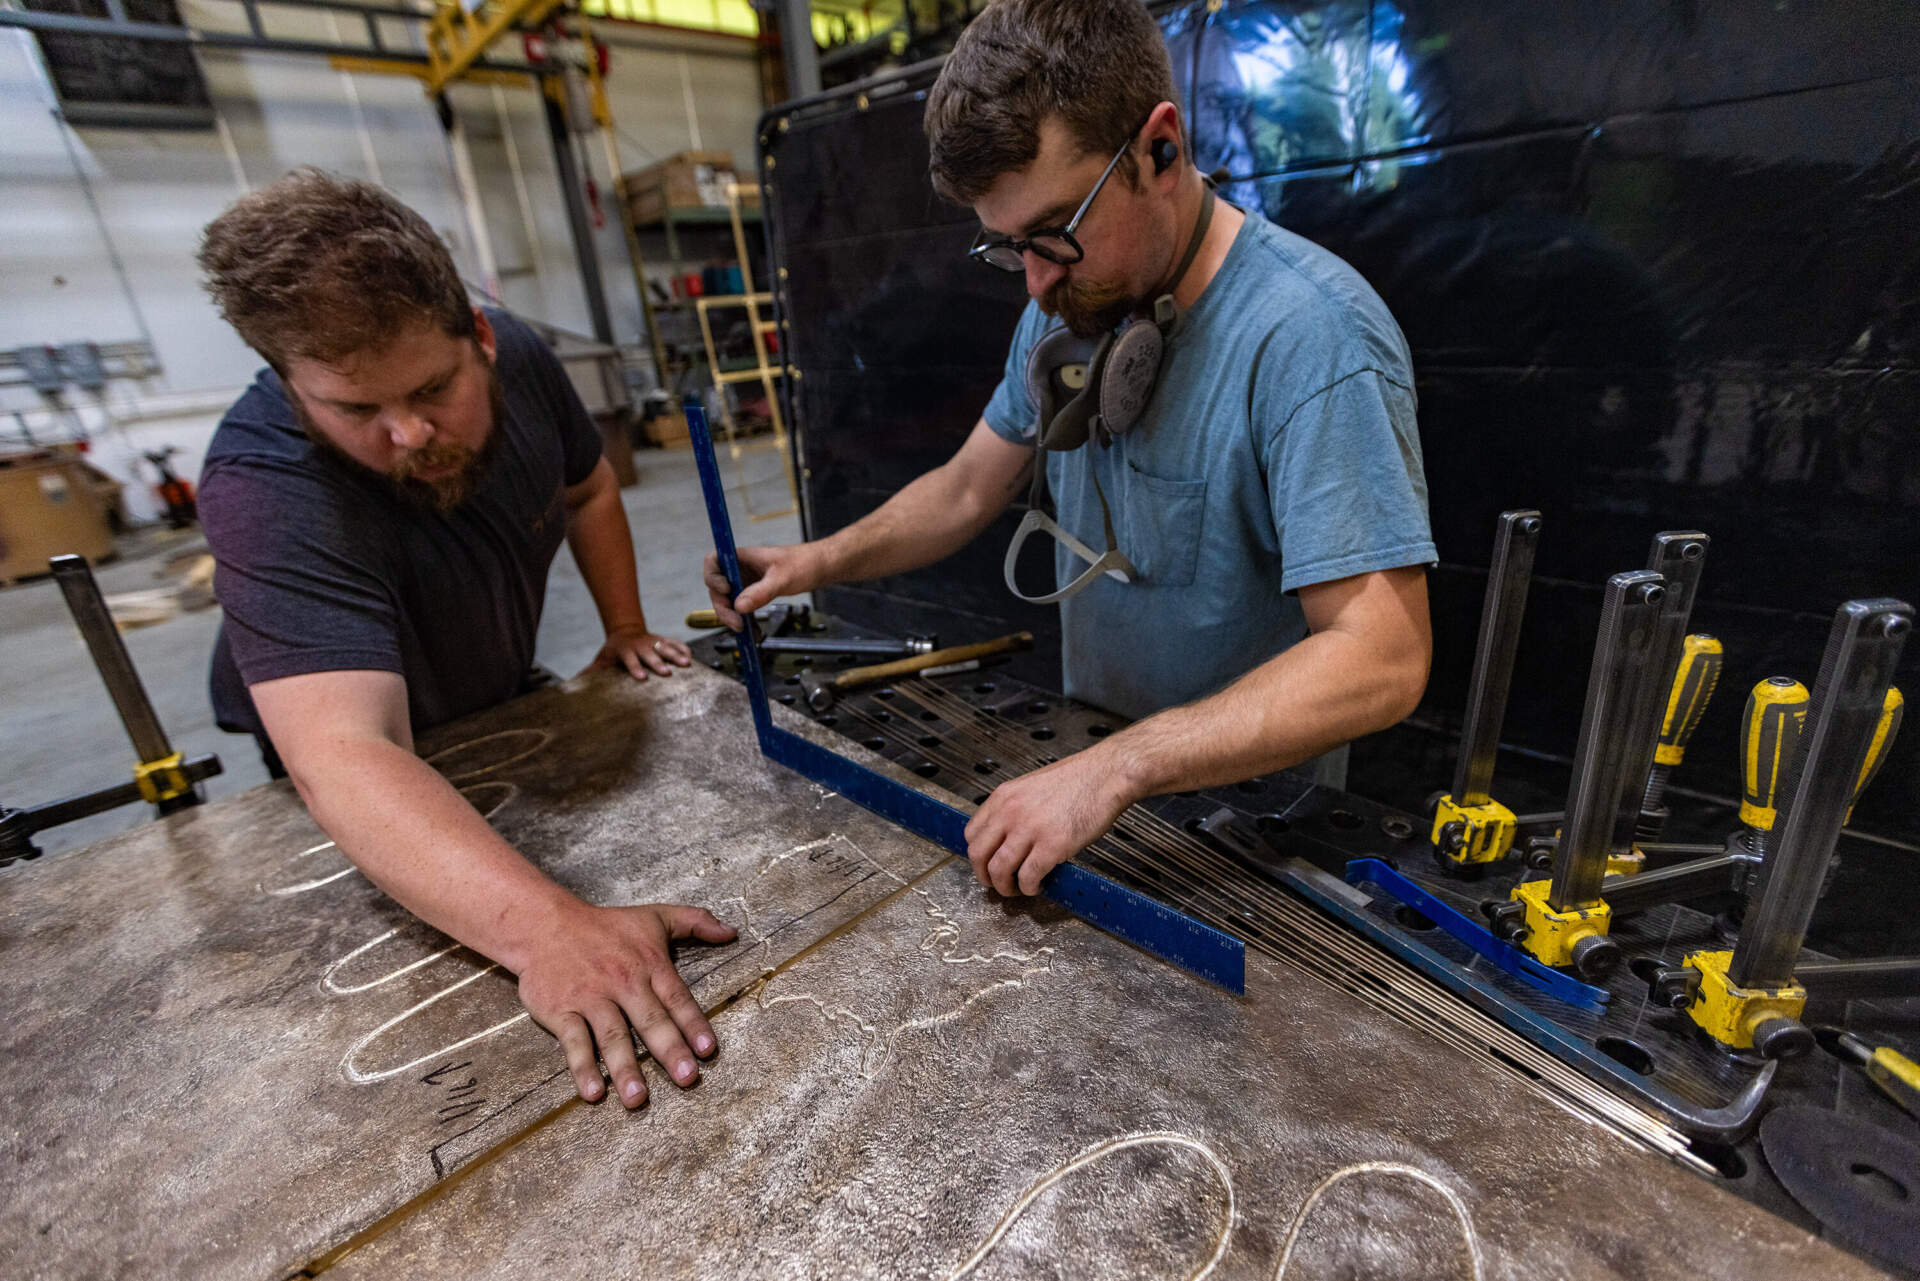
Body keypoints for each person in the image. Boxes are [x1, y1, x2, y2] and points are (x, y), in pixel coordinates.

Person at [706, 0, 1435, 899]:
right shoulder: (1066, 312)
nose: (1040, 282)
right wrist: (814, 561)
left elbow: (1383, 657)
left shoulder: (1311, 338)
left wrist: (1122, 767)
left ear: (1159, 148)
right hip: (1086, 781)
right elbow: (968, 488)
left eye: (1055, 233)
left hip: (1257, 835)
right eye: (1011, 249)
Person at [197, 169, 730, 1110]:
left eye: (433, 387)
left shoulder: (521, 358)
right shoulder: (262, 489)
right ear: (290, 389)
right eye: (355, 411)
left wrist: (624, 627)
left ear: (479, 334)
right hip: (352, 731)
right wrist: (546, 931)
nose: (407, 431)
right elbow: (347, 757)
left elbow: (588, 488)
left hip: (488, 688)